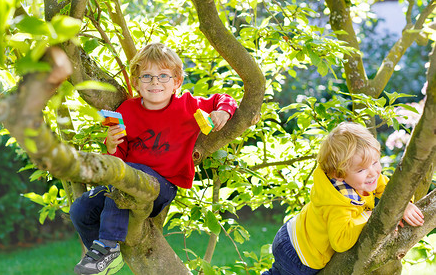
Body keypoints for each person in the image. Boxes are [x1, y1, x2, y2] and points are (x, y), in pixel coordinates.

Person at [70, 43, 238, 275]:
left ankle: (109, 243)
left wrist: (222, 112)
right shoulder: (126, 111)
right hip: (126, 183)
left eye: (163, 76)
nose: (155, 82)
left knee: (130, 174)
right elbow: (118, 160)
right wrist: (110, 145)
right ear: (136, 83)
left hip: (162, 186)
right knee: (81, 208)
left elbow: (225, 98)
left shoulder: (188, 105)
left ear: (177, 82)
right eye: (146, 76)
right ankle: (106, 257)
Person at [262, 122, 424, 275]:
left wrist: (404, 205)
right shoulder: (337, 203)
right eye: (361, 170)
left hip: (293, 233)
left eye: (375, 162)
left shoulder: (366, 179)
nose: (373, 172)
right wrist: (370, 216)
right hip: (299, 255)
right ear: (338, 175)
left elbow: (386, 187)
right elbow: (341, 240)